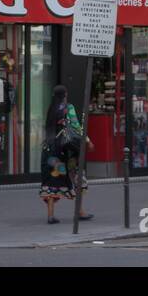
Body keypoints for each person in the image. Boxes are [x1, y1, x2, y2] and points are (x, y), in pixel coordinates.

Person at [39, 85, 91, 224]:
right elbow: (76, 127)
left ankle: (50, 215)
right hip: (66, 150)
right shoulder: (68, 108)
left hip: (50, 150)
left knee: (52, 180)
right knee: (76, 176)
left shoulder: (51, 109)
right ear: (65, 95)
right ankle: (80, 211)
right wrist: (87, 141)